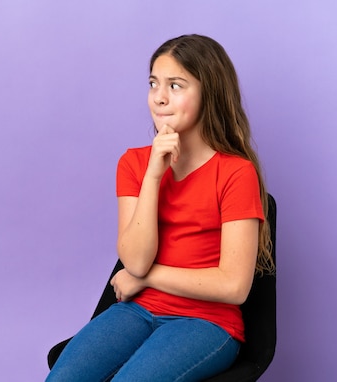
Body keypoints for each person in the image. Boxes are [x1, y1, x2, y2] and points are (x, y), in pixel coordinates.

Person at [46, 34, 275, 382]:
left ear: (208, 94)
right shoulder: (135, 164)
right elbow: (135, 261)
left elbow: (234, 286)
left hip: (206, 323)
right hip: (136, 310)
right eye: (154, 83)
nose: (160, 97)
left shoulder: (236, 172)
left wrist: (149, 277)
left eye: (176, 85)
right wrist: (154, 174)